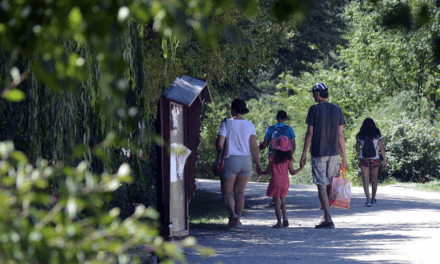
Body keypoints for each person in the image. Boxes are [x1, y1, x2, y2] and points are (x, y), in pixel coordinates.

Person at [300, 82, 347, 229]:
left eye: (313, 93)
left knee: (321, 183)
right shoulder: (337, 109)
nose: (313, 96)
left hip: (319, 153)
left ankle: (328, 219)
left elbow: (310, 133)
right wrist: (344, 156)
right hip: (334, 153)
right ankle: (326, 215)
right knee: (330, 184)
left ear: (318, 94)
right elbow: (341, 134)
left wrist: (303, 153)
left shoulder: (314, 109)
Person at [216, 99, 262, 228]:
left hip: (231, 160)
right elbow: (254, 147)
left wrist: (219, 150)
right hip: (246, 161)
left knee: (227, 193)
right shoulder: (250, 125)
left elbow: (220, 144)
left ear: (233, 110)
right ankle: (238, 220)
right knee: (240, 193)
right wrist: (258, 164)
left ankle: (234, 216)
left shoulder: (226, 123)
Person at [259, 136, 303, 228]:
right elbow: (292, 172)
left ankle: (279, 222)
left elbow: (268, 171)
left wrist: (260, 172)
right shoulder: (289, 159)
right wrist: (301, 167)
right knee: (283, 201)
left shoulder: (272, 158)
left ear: (276, 147)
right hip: (285, 182)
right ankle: (285, 218)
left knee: (277, 202)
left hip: (275, 180)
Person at [259, 110, 296, 206]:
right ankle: (279, 197)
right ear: (285, 119)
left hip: (273, 155)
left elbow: (264, 144)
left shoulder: (270, 129)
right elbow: (293, 144)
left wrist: (260, 146)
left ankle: (275, 197)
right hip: (285, 156)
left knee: (274, 174)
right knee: (283, 174)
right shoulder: (289, 129)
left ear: (277, 118)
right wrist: (290, 155)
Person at [355, 118, 387, 207]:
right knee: (374, 179)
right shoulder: (377, 134)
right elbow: (382, 148)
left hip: (364, 159)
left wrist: (361, 146)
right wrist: (384, 160)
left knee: (365, 179)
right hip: (375, 159)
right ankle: (373, 199)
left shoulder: (360, 135)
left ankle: (368, 200)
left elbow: (357, 149)